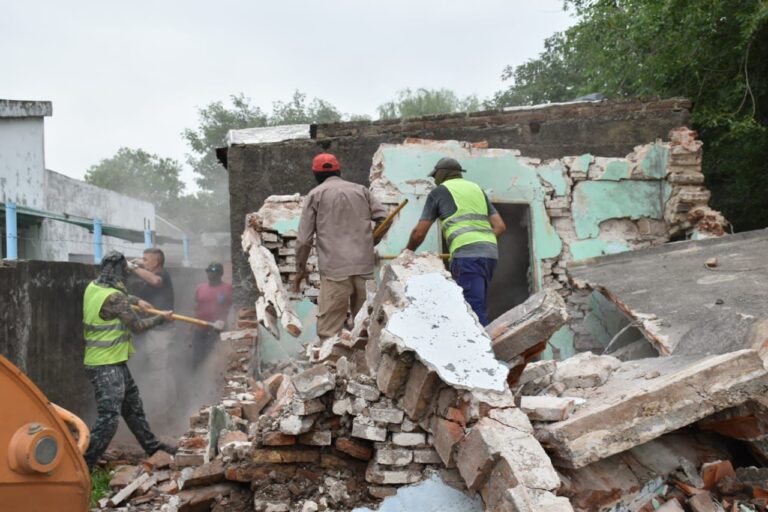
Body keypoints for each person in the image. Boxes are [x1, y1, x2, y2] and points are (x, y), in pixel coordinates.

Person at [82, 251, 175, 471]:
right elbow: (138, 327)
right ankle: (84, 463)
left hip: (113, 361)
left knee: (132, 407)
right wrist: (162, 317)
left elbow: (120, 296)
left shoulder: (94, 287)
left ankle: (152, 447)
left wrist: (138, 300)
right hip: (105, 364)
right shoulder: (114, 298)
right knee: (110, 416)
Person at [293, 153, 387, 340]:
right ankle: (366, 367)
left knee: (329, 331)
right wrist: (373, 239)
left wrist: (300, 269)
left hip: (334, 272)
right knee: (366, 328)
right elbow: (384, 218)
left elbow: (304, 240)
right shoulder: (361, 190)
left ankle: (332, 367)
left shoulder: (315, 195)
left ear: (315, 174)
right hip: (364, 268)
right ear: (339, 170)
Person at [406, 157, 506, 326]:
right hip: (489, 255)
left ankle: (481, 351)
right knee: (477, 303)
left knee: (471, 310)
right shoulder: (477, 189)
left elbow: (419, 233)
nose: (434, 181)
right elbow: (500, 226)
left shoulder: (439, 192)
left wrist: (407, 252)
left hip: (467, 256)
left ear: (442, 174)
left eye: (435, 177)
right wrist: (480, 240)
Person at [191, 262, 232, 367]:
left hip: (217, 330)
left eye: (213, 271)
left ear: (220, 273)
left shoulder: (228, 289)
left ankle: (211, 381)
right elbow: (195, 308)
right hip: (200, 329)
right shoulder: (200, 288)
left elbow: (232, 308)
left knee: (214, 359)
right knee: (197, 359)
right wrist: (191, 329)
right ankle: (197, 380)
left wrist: (224, 320)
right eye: (208, 271)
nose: (210, 273)